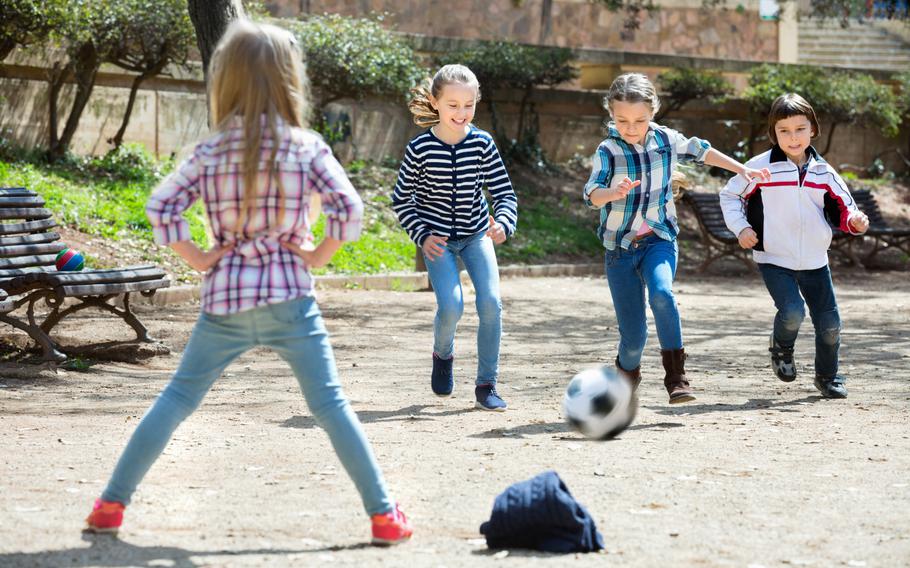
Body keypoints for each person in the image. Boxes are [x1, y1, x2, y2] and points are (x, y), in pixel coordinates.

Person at [83, 20, 412, 546]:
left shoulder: (209, 151)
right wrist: (315, 254)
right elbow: (349, 209)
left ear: (225, 80)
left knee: (177, 399)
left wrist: (199, 256)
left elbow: (160, 205)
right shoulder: (307, 148)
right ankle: (383, 516)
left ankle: (110, 506)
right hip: (290, 297)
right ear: (289, 79)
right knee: (330, 406)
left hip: (226, 299)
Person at [584, 73, 771, 404]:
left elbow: (702, 151)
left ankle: (676, 377)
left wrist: (742, 169)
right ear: (611, 114)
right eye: (622, 120)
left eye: (639, 120)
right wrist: (612, 192)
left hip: (659, 239)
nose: (631, 127)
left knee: (662, 294)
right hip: (620, 251)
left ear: (653, 112)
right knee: (633, 339)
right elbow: (592, 194)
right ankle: (626, 375)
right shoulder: (608, 150)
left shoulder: (665, 139)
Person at [720, 93, 869, 398]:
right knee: (791, 311)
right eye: (784, 131)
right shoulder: (761, 168)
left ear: (813, 128)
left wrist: (855, 221)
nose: (793, 137)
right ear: (773, 133)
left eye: (800, 129)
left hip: (815, 261)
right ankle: (781, 348)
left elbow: (845, 208)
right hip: (774, 257)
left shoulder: (824, 172)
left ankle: (828, 376)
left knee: (829, 324)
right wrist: (741, 228)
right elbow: (730, 195)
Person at [392, 64, 518, 411]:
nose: (461, 113)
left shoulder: (482, 143)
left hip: (477, 235)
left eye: (469, 105)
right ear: (435, 102)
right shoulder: (420, 149)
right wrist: (421, 234)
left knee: (491, 303)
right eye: (452, 105)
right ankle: (443, 355)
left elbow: (505, 194)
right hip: (439, 242)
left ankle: (486, 384)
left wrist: (504, 223)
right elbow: (402, 199)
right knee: (451, 306)